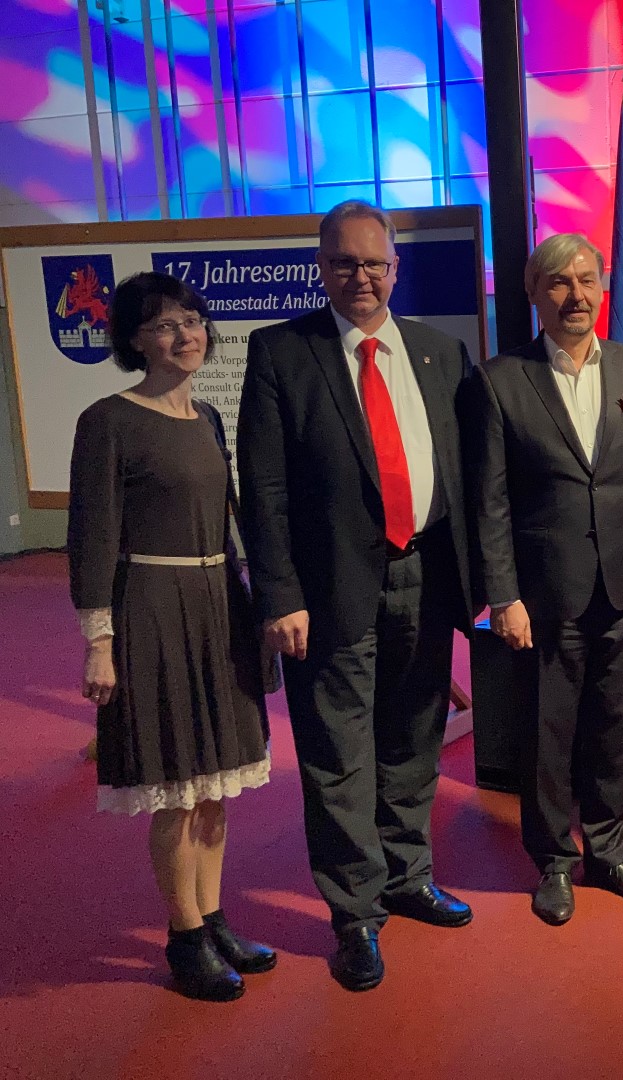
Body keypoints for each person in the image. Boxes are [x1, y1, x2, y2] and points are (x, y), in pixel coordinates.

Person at [237, 200, 475, 991]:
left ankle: (408, 876)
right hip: (328, 589)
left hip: (426, 575)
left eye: (374, 263)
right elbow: (264, 488)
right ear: (321, 267)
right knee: (338, 755)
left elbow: (469, 476)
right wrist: (279, 595)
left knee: (414, 736)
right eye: (343, 262)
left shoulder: (440, 353)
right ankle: (356, 915)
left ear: (396, 268)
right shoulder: (282, 352)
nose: (360, 276)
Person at [462, 232, 623, 926]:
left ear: (602, 287)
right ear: (534, 292)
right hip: (544, 594)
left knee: (617, 728)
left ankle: (610, 852)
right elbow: (490, 503)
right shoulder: (501, 381)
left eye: (586, 280)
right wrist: (504, 594)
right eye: (558, 282)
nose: (575, 295)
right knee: (547, 733)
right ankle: (555, 860)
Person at [68, 271, 275, 1001]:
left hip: (219, 604)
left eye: (192, 319)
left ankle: (214, 920)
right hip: (152, 609)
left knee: (217, 783)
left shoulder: (209, 417)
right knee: (177, 789)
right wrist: (100, 640)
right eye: (164, 324)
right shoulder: (108, 420)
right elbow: (92, 537)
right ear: (134, 340)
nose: (185, 334)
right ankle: (184, 937)